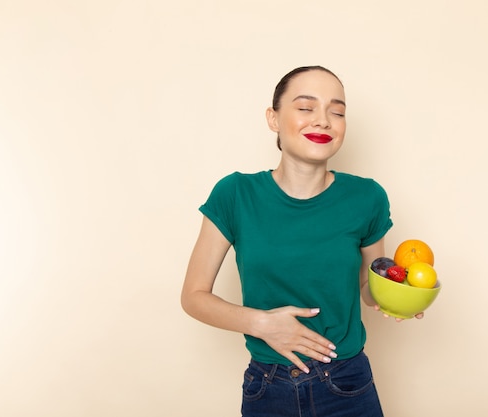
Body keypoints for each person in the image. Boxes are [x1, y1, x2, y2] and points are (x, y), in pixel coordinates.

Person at [181, 65, 424, 417]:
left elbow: (366, 286)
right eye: (306, 108)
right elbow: (193, 297)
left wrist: (398, 297)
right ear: (274, 118)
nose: (324, 121)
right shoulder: (235, 194)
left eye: (336, 111)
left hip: (348, 385)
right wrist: (261, 324)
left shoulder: (367, 198)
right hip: (268, 387)